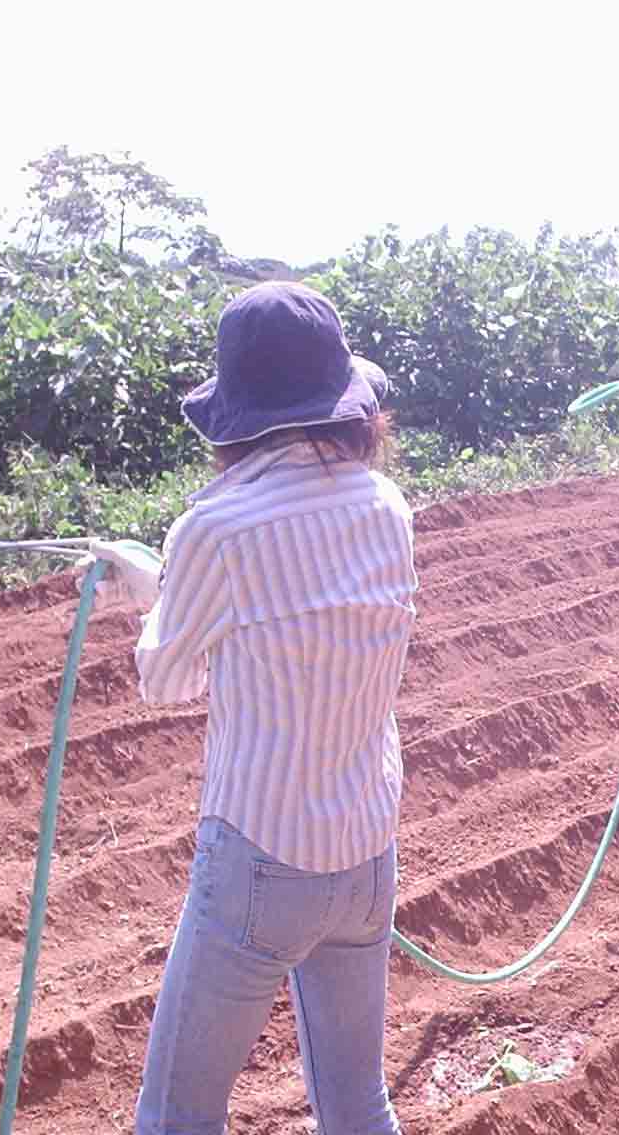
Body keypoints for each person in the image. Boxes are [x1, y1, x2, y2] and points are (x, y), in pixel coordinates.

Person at [89, 281, 416, 1134]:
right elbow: (297, 618)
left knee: (176, 1117)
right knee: (357, 1103)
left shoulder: (215, 529)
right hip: (367, 854)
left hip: (262, 861)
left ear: (236, 416)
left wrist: (153, 590)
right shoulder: (385, 506)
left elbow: (171, 678)